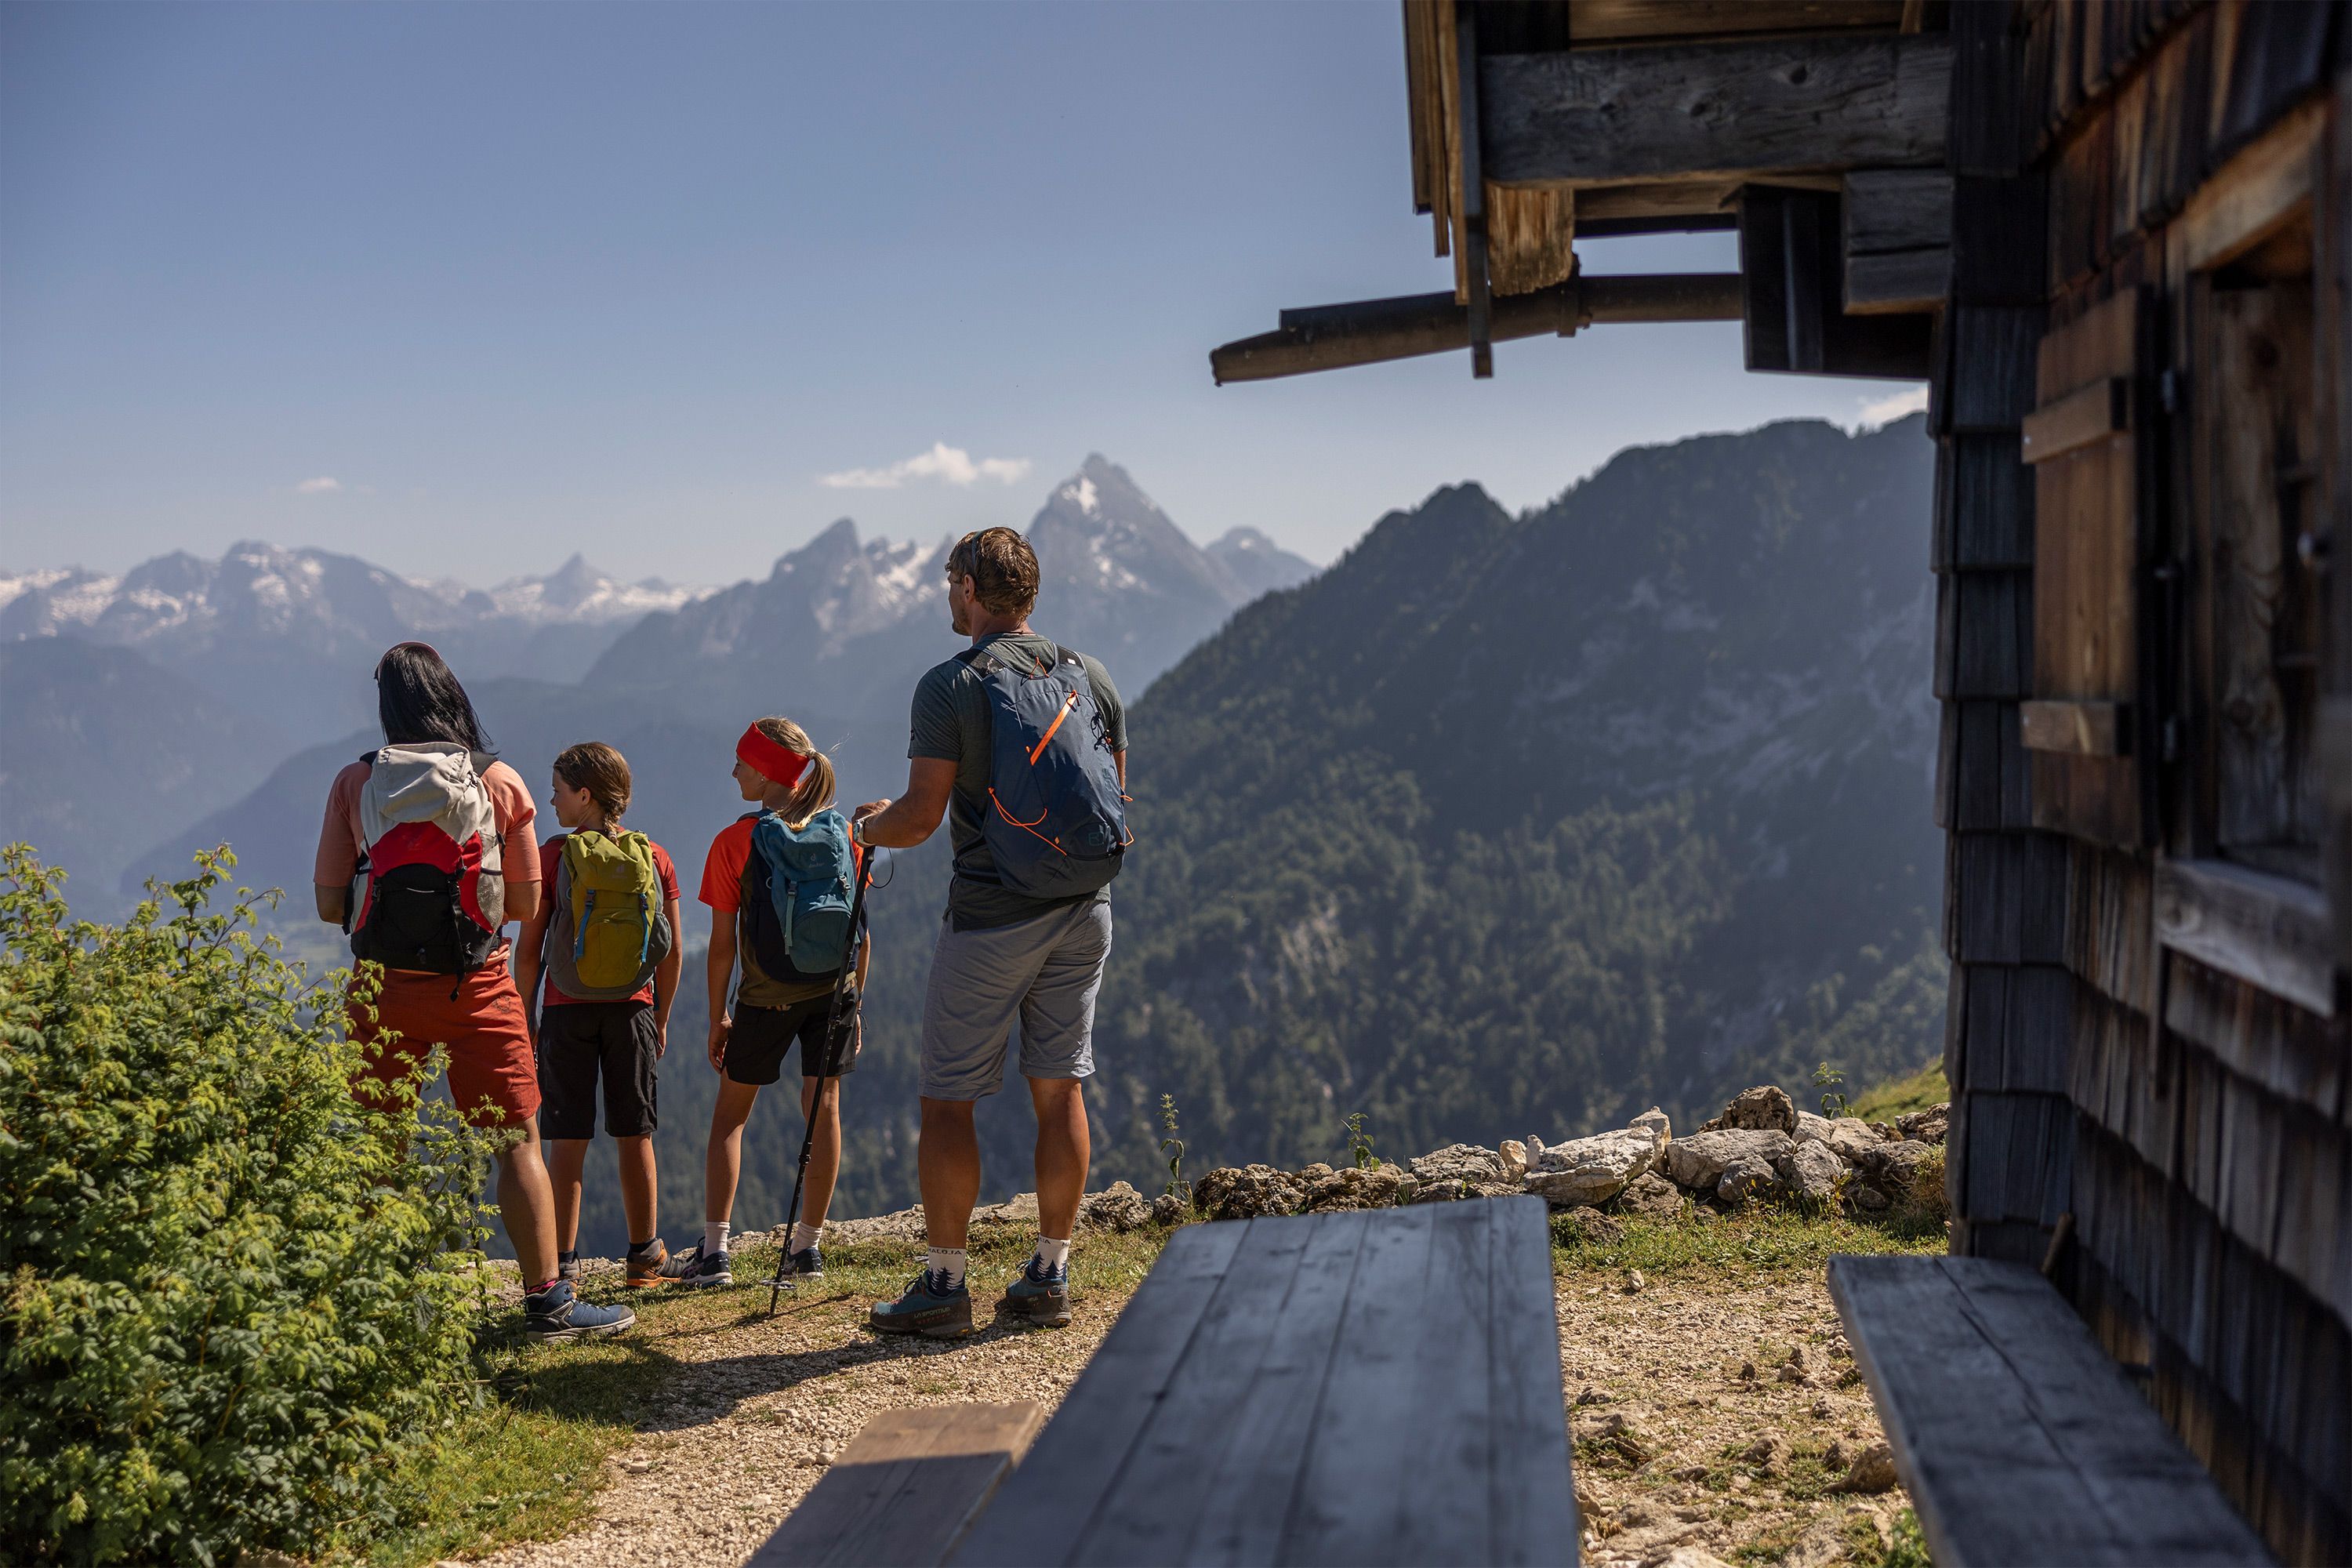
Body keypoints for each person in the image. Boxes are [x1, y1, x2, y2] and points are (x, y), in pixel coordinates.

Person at [314, 642, 632, 1341]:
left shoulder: (354, 783)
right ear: (451, 695)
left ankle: (373, 1309)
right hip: (478, 987)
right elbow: (523, 904)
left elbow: (329, 902)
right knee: (515, 1142)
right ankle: (548, 1302)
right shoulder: (500, 783)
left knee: (378, 1142)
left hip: (383, 990)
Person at [852, 527, 1127, 1338]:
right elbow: (1113, 796)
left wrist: (865, 828)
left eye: (951, 580)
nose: (948, 592)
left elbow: (920, 818)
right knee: (1061, 1087)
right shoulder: (1091, 674)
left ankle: (944, 1284)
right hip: (1086, 906)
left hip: (992, 916)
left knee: (948, 1099)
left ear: (971, 588)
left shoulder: (952, 684)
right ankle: (1050, 1272)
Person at [660, 717, 869, 1290]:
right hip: (834, 994)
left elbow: (721, 946)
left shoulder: (736, 843)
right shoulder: (842, 835)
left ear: (767, 771)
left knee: (730, 1118)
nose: (733, 772)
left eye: (742, 763)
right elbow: (860, 930)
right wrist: (857, 1002)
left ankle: (715, 1254)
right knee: (823, 1110)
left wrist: (717, 1016)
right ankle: (807, 1248)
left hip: (765, 999)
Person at [513, 742, 684, 1289]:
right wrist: (660, 1017)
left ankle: (563, 1264)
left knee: (567, 1139)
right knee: (636, 1133)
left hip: (566, 1011)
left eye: (559, 791)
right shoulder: (654, 857)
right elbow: (671, 952)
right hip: (632, 1009)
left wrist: (525, 1017)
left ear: (585, 795)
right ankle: (645, 1257)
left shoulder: (552, 857)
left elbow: (529, 950)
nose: (552, 801)